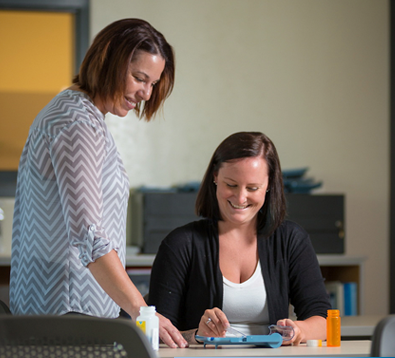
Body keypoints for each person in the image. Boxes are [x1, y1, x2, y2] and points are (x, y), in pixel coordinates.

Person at [9, 18, 187, 348]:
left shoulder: (84, 116)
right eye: (139, 78)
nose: (146, 93)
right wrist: (142, 313)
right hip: (65, 309)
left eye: (153, 83)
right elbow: (89, 236)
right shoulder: (75, 120)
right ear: (109, 62)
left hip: (74, 310)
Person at [148, 131, 331, 345]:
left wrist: (299, 329)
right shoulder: (181, 244)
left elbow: (324, 320)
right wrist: (198, 335)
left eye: (252, 188)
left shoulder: (291, 239)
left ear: (269, 184)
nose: (241, 198)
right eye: (231, 185)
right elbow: (156, 333)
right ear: (215, 176)